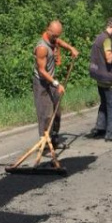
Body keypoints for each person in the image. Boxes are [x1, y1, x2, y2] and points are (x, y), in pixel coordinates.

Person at [33, 20, 79, 148]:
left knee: (57, 112)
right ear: (48, 30)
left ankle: (54, 139)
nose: (57, 38)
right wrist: (56, 84)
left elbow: (59, 42)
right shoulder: (42, 48)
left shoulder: (53, 39)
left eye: (58, 35)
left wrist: (71, 48)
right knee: (46, 114)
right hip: (42, 83)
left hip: (52, 81)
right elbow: (41, 71)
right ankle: (46, 142)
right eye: (55, 35)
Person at [88, 16, 112, 141]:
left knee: (104, 104)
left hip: (99, 76)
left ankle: (100, 128)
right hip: (107, 78)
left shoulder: (98, 37)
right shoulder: (107, 40)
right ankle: (111, 133)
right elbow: (109, 58)